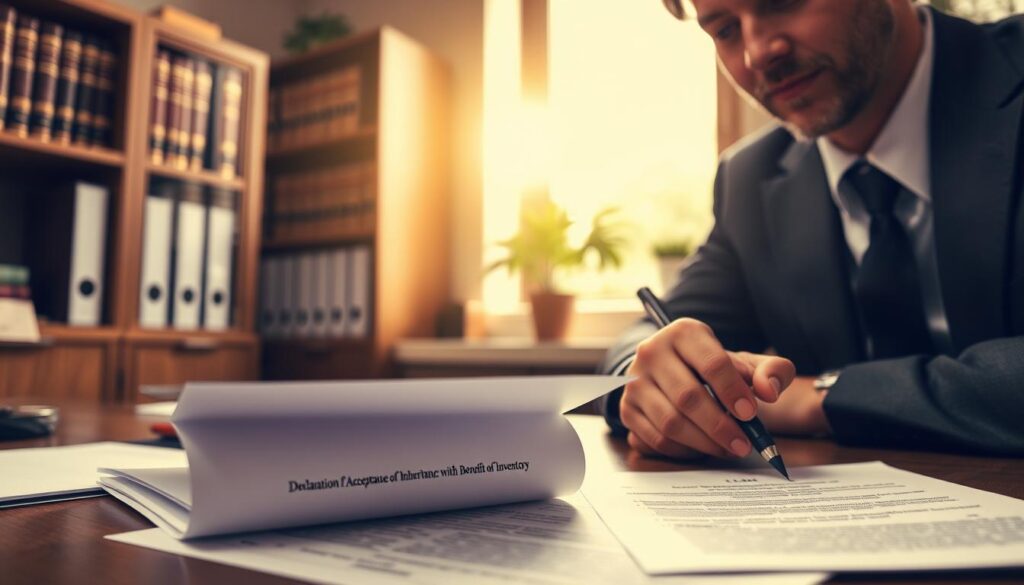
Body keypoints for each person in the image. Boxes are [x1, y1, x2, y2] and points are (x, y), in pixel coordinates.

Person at [600, 0, 1024, 458]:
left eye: (780, 2)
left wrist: (824, 397)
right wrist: (652, 377)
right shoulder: (751, 179)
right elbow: (651, 333)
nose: (757, 53)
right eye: (724, 31)